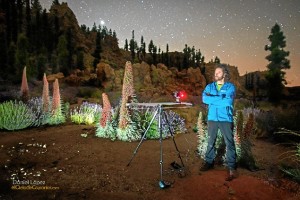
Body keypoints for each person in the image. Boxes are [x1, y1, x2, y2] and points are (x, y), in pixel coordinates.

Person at [200, 65, 238, 181]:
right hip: (212, 118)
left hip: (225, 118)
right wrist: (220, 98)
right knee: (210, 141)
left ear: (224, 74)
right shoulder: (209, 87)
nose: (216, 74)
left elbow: (228, 101)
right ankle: (209, 162)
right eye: (215, 72)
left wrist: (214, 99)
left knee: (229, 142)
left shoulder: (230, 87)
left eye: (219, 72)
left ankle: (232, 167)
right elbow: (204, 99)